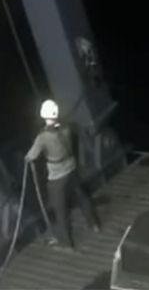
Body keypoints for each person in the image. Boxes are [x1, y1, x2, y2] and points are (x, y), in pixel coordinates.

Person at [26, 99, 100, 249]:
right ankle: (94, 225)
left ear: (43, 115)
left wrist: (26, 158)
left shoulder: (43, 137)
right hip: (71, 169)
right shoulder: (66, 127)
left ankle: (66, 242)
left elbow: (32, 156)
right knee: (81, 197)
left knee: (59, 209)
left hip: (57, 177)